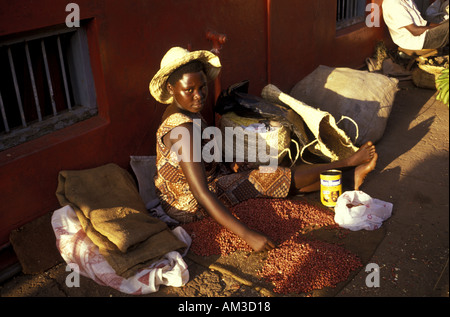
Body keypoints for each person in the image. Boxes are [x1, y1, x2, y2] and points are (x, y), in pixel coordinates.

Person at [149, 47, 378, 252]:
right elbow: (200, 193)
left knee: (267, 170)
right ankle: (345, 166)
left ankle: (347, 179)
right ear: (171, 88)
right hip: (188, 205)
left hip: (206, 181)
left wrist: (228, 164)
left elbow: (202, 156)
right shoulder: (182, 130)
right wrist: (248, 235)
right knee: (267, 177)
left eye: (202, 87)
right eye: (190, 90)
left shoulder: (187, 111)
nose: (198, 96)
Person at [382, 0, 449, 51]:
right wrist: (442, 28)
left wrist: (442, 27)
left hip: (421, 34)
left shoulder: (407, 1)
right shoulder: (394, 4)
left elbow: (424, 23)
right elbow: (415, 31)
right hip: (415, 41)